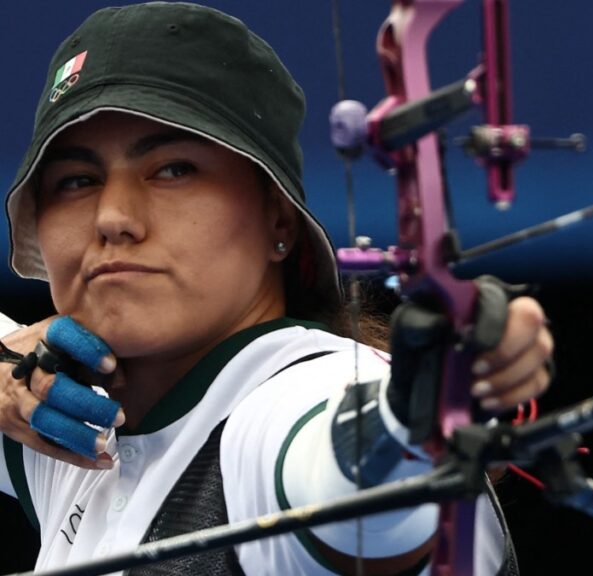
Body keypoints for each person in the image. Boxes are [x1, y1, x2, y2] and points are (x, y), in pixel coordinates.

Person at [0, 3, 553, 575]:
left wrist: (410, 421)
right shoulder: (69, 430)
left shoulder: (297, 398)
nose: (113, 216)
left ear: (279, 223)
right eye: (76, 180)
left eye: (173, 170)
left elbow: (348, 480)